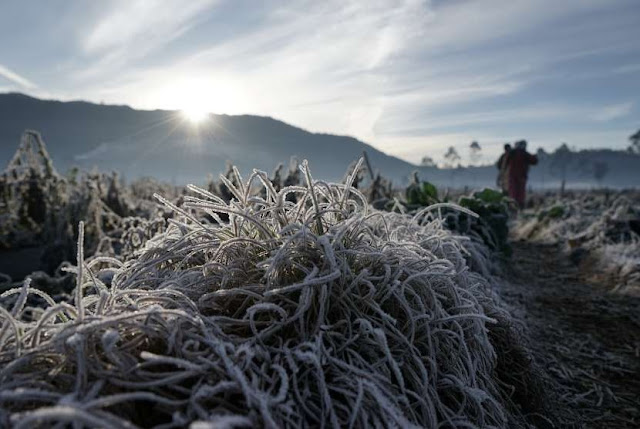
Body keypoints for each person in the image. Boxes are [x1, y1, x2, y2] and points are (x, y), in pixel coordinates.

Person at [507, 140, 538, 208]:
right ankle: (519, 205)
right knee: (520, 191)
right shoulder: (524, 154)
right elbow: (534, 161)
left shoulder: (512, 153)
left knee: (513, 191)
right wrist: (535, 156)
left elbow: (505, 162)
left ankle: (513, 205)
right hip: (521, 175)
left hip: (513, 175)